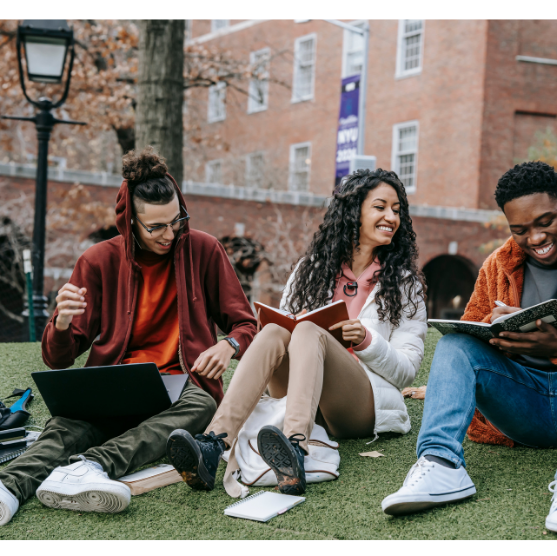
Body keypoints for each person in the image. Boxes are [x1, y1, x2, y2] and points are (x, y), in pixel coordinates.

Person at [0, 147, 258, 527]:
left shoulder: (204, 251)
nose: (170, 233)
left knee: (203, 407)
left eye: (177, 220)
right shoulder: (97, 261)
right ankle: (3, 489)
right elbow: (57, 359)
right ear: (130, 222)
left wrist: (229, 344)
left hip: (182, 381)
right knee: (68, 423)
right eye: (156, 226)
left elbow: (246, 324)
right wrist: (61, 323)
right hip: (116, 380)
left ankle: (91, 467)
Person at [381, 161, 557, 535]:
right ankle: (440, 464)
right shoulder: (498, 264)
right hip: (524, 410)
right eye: (519, 230)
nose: (534, 238)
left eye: (544, 222)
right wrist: (497, 333)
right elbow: (472, 330)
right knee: (456, 343)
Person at [166, 168, 427, 496]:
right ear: (353, 212)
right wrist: (293, 322)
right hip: (299, 393)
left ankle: (294, 449)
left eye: (396, 210)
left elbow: (405, 371)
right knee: (277, 330)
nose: (391, 216)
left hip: (359, 404)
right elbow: (284, 333)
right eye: (380, 207)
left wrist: (366, 340)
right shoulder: (310, 270)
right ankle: (213, 444)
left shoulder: (404, 284)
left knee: (308, 332)